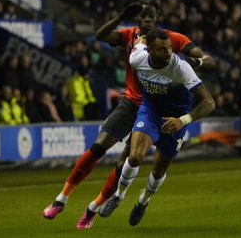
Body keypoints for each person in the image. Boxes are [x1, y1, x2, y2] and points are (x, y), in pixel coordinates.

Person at [42, 0, 214, 222]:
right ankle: (61, 199)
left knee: (128, 163)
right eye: (143, 16)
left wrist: (194, 62)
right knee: (100, 146)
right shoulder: (131, 41)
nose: (148, 20)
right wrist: (121, 17)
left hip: (164, 108)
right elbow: (100, 36)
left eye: (152, 15)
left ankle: (94, 208)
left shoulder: (173, 42)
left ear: (158, 17)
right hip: (135, 104)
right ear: (138, 19)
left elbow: (207, 62)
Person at [77, 29, 215, 229]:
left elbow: (209, 102)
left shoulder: (180, 68)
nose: (168, 53)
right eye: (162, 49)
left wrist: (183, 120)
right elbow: (138, 41)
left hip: (175, 119)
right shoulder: (137, 58)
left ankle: (143, 201)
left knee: (158, 171)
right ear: (149, 50)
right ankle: (118, 196)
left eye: (169, 48)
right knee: (134, 157)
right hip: (149, 112)